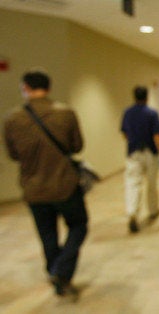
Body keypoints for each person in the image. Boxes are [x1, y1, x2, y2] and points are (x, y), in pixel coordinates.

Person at [3, 70, 87, 300]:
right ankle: (62, 271)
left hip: (33, 187)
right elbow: (77, 145)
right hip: (64, 185)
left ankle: (56, 271)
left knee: (47, 233)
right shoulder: (66, 113)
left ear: (25, 88)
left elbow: (13, 154)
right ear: (48, 88)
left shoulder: (12, 118)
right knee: (79, 225)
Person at [121, 86, 159, 233]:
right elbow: (157, 135)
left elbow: (124, 133)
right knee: (151, 182)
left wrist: (132, 142)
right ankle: (153, 210)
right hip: (150, 152)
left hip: (133, 152)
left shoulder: (127, 113)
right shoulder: (152, 113)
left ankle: (132, 212)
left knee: (133, 182)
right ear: (146, 97)